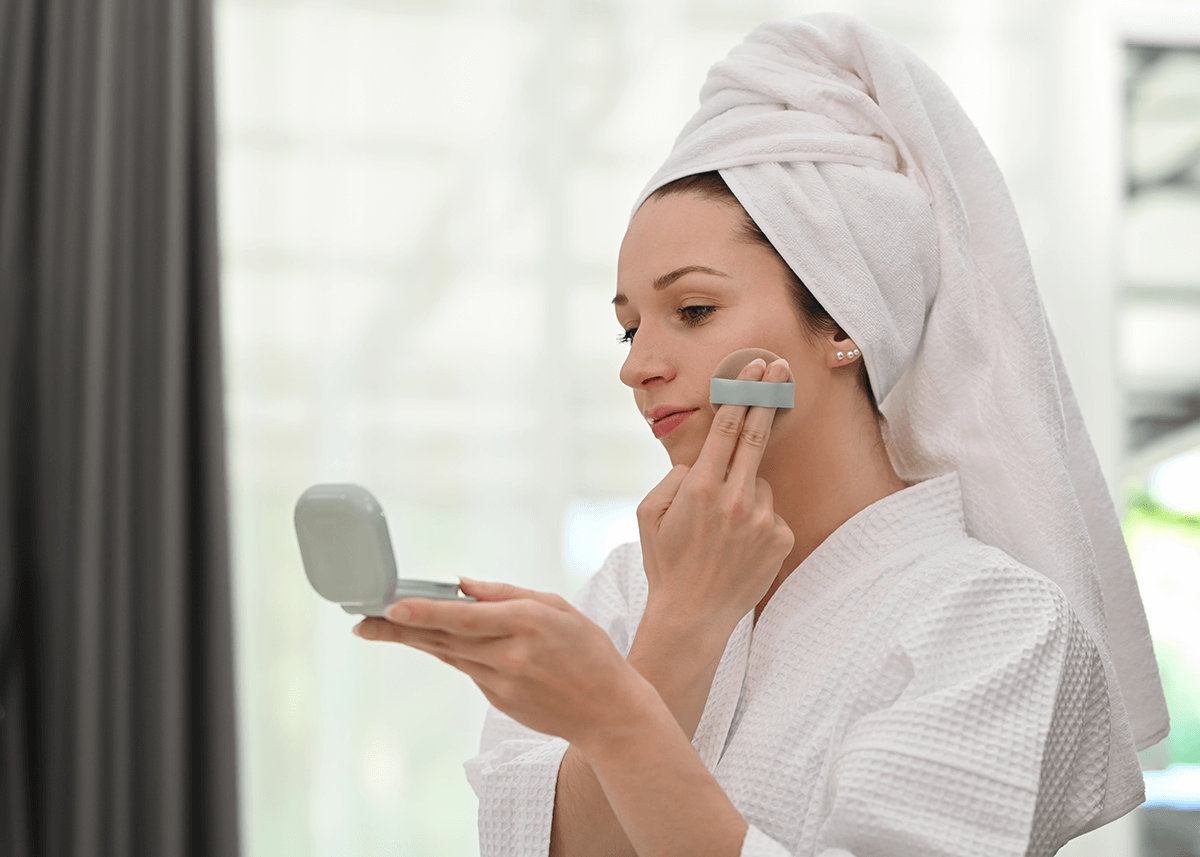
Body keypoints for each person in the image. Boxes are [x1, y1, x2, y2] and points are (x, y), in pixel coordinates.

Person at [352, 13, 1169, 857]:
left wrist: (614, 710)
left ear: (844, 320)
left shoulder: (993, 620)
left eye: (694, 310)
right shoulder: (633, 590)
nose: (639, 368)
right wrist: (678, 630)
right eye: (630, 330)